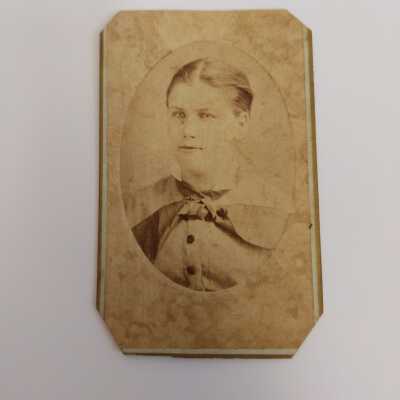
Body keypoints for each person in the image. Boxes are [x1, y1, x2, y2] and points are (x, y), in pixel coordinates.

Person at [125, 57, 288, 291]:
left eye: (205, 116)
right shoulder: (136, 209)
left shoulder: (278, 211)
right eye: (178, 115)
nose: (188, 131)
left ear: (240, 124)